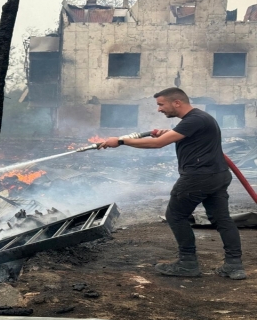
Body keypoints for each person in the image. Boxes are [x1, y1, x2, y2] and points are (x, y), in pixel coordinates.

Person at [98, 87, 246, 280]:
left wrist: (120, 141)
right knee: (222, 219)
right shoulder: (197, 119)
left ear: (177, 102)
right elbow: (187, 137)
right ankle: (234, 266)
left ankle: (187, 264)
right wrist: (170, 133)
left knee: (175, 216)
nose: (159, 109)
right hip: (217, 175)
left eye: (161, 104)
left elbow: (157, 144)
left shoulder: (194, 119)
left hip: (197, 178)